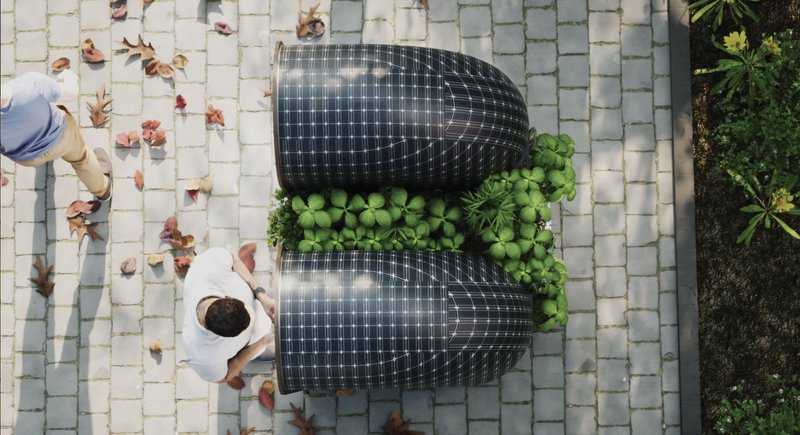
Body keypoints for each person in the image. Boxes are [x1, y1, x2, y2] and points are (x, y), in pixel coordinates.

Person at [0, 71, 113, 200]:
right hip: (61, 137)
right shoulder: (31, 84)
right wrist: (69, 78)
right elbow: (71, 93)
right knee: (81, 159)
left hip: (27, 157)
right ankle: (102, 189)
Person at [182, 247, 276, 385]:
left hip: (264, 301)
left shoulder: (207, 266)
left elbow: (232, 257)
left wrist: (261, 296)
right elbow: (224, 377)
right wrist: (263, 341)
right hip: (258, 344)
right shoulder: (202, 356)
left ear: (227, 296)